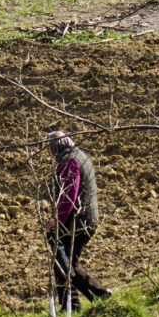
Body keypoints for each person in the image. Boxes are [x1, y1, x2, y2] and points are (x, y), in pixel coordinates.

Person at [43, 129, 108, 305]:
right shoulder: (80, 156)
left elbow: (68, 195)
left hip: (78, 222)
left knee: (63, 265)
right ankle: (91, 299)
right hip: (87, 219)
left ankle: (89, 299)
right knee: (68, 264)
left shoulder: (69, 162)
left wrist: (57, 220)